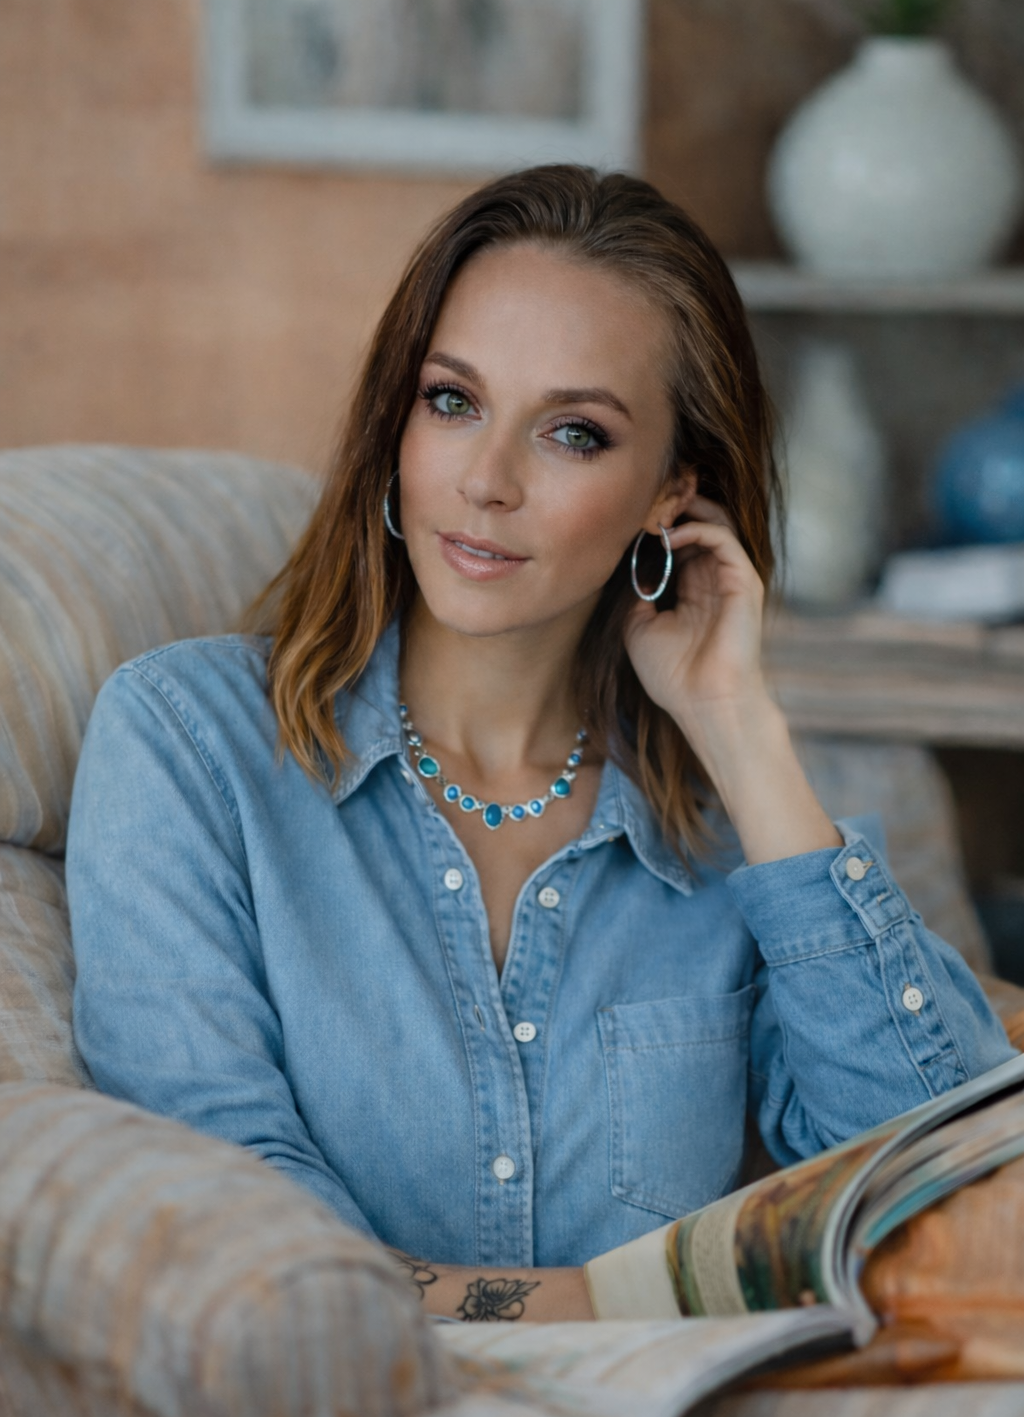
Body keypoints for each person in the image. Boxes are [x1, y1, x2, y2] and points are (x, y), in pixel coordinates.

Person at [66, 166, 1013, 1324]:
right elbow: (227, 1222)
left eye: (573, 433)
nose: (485, 480)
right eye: (451, 401)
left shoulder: (725, 840)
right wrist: (586, 1310)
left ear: (672, 490)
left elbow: (935, 1171)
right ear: (394, 424)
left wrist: (735, 725)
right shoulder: (187, 743)